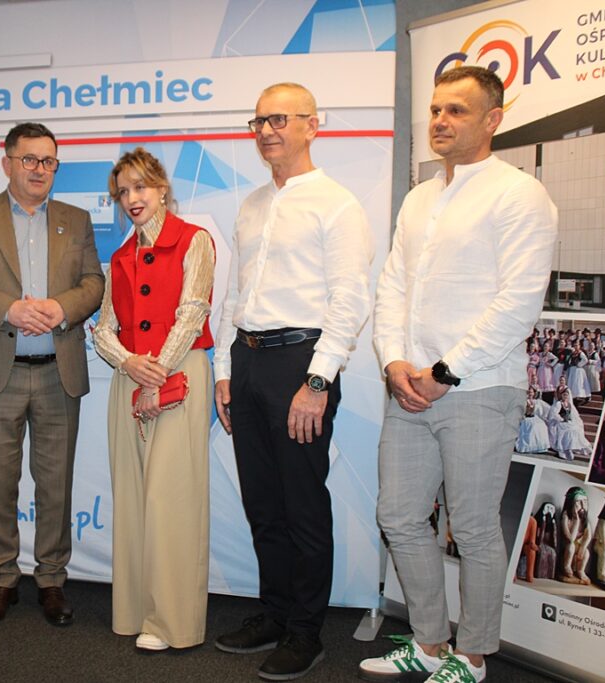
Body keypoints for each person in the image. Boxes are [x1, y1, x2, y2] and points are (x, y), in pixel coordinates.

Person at [361, 66, 557, 683]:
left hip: (480, 389)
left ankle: (472, 657)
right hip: (409, 389)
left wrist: (446, 371)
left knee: (471, 529)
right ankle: (429, 643)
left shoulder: (519, 194)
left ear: (492, 119)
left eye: (457, 111)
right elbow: (393, 286)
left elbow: (519, 302)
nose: (440, 121)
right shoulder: (420, 198)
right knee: (398, 517)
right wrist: (393, 360)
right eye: (436, 109)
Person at [213, 82, 373, 680]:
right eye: (259, 121)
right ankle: (275, 614)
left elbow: (350, 299)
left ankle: (306, 632)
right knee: (262, 502)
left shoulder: (337, 204)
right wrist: (224, 370)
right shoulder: (252, 204)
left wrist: (317, 381)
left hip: (301, 364)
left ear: (313, 125)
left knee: (303, 505)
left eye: (280, 119)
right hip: (249, 360)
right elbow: (236, 294)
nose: (266, 131)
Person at [0, 122, 104, 627]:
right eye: (29, 159)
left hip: (58, 372)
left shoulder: (76, 219)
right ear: (7, 162)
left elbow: (94, 282)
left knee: (55, 484)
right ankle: (2, 579)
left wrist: (62, 307)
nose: (39, 169)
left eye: (48, 161)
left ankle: (51, 579)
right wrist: (9, 309)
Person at [92, 148, 215, 651]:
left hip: (178, 373)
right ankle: (133, 611)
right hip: (130, 379)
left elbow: (193, 312)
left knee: (171, 499)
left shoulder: (194, 240)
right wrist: (128, 364)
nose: (132, 198)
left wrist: (153, 376)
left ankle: (172, 623)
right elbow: (103, 329)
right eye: (123, 191)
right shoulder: (120, 257)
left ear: (162, 188)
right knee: (132, 498)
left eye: (140, 186)